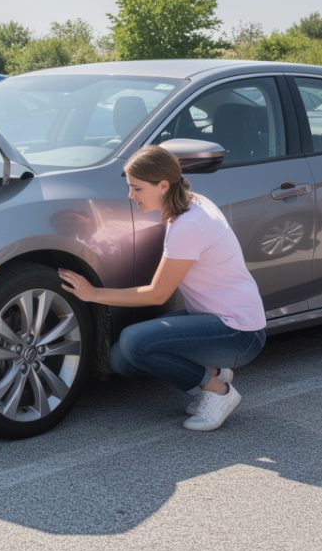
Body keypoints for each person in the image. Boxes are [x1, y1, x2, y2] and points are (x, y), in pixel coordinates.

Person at [57, 146, 266, 431]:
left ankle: (217, 391)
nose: (131, 196)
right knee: (122, 358)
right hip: (213, 319)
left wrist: (92, 294)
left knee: (135, 342)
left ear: (163, 185)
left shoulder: (189, 225)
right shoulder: (189, 204)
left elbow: (157, 294)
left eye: (137, 189)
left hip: (238, 332)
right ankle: (212, 374)